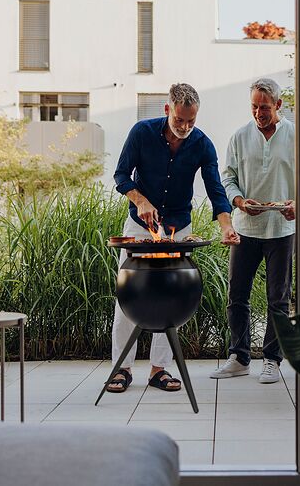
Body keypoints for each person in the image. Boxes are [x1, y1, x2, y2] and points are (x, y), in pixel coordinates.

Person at [107, 83, 240, 393]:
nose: (185, 127)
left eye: (191, 121)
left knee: (171, 301)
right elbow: (121, 175)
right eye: (180, 120)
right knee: (127, 298)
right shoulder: (141, 132)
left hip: (177, 230)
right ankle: (121, 368)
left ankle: (158, 370)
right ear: (167, 110)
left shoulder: (202, 144)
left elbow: (215, 190)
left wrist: (226, 226)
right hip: (140, 227)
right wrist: (140, 200)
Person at [212, 78, 296, 384]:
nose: (258, 112)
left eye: (264, 106)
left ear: (278, 105)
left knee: (279, 299)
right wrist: (237, 200)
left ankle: (272, 359)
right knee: (237, 295)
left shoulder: (295, 135)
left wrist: (296, 203)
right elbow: (228, 177)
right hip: (246, 226)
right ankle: (239, 357)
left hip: (282, 226)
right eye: (254, 106)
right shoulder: (239, 136)